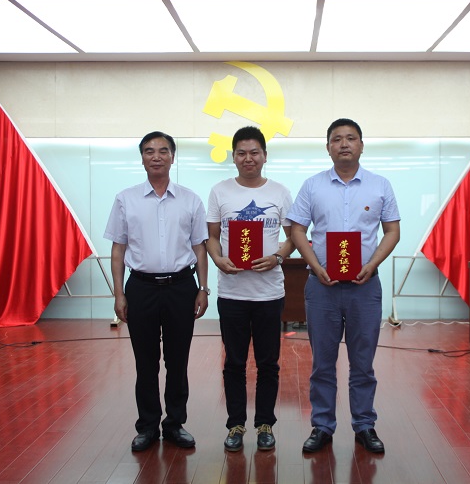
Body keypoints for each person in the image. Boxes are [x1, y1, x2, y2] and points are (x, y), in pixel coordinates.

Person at [287, 118, 400, 454]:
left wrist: (372, 264)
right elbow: (296, 230)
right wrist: (315, 265)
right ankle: (322, 426)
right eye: (337, 139)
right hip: (322, 287)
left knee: (363, 362)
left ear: (361, 145)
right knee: (322, 362)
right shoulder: (312, 186)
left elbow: (392, 231)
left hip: (365, 287)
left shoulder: (380, 185)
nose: (344, 144)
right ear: (328, 148)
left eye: (351, 138)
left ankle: (364, 425)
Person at [104, 131, 209, 452]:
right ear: (142, 158)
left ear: (173, 157)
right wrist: (119, 294)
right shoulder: (126, 199)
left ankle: (175, 424)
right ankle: (148, 426)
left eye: (163, 151)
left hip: (181, 287)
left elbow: (200, 248)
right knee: (145, 362)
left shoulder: (190, 200)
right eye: (149, 151)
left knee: (178, 361)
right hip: (141, 288)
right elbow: (118, 250)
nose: (156, 156)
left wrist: (203, 288)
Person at [206, 126, 295, 452]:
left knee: (268, 363)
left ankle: (265, 424)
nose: (248, 158)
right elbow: (211, 237)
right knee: (234, 363)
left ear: (264, 156)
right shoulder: (220, 191)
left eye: (254, 152)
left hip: (269, 293)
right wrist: (218, 259)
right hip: (232, 293)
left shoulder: (280, 193)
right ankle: (235, 424)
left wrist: (277, 257)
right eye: (241, 153)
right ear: (233, 157)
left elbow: (293, 238)